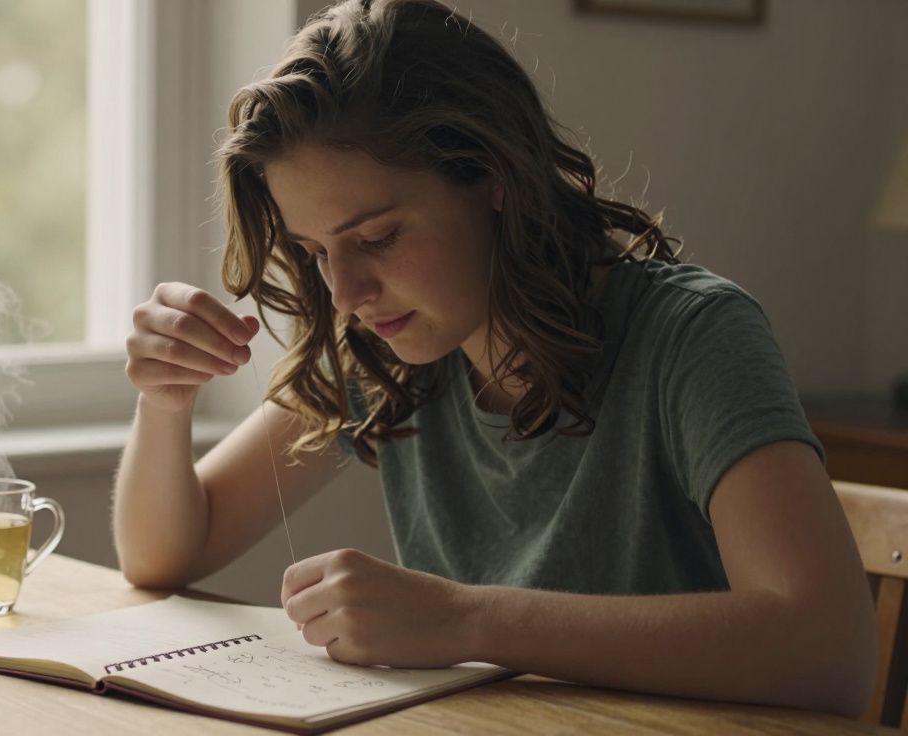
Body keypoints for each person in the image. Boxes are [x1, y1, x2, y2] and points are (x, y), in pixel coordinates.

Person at [113, 0, 875, 717]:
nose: (344, 293)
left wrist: (466, 619)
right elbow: (166, 553)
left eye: (377, 237)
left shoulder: (692, 338)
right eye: (315, 252)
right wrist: (164, 401)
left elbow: (828, 649)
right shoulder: (386, 353)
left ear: (496, 178)